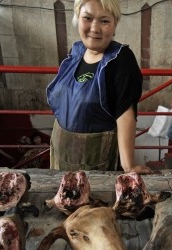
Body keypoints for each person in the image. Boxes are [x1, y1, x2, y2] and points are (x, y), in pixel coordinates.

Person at [46, 0, 151, 174]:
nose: (94, 28)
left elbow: (125, 114)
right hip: (60, 148)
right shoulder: (76, 52)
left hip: (94, 156)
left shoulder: (121, 59)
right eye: (87, 18)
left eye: (104, 21)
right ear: (77, 18)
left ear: (114, 24)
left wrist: (128, 166)